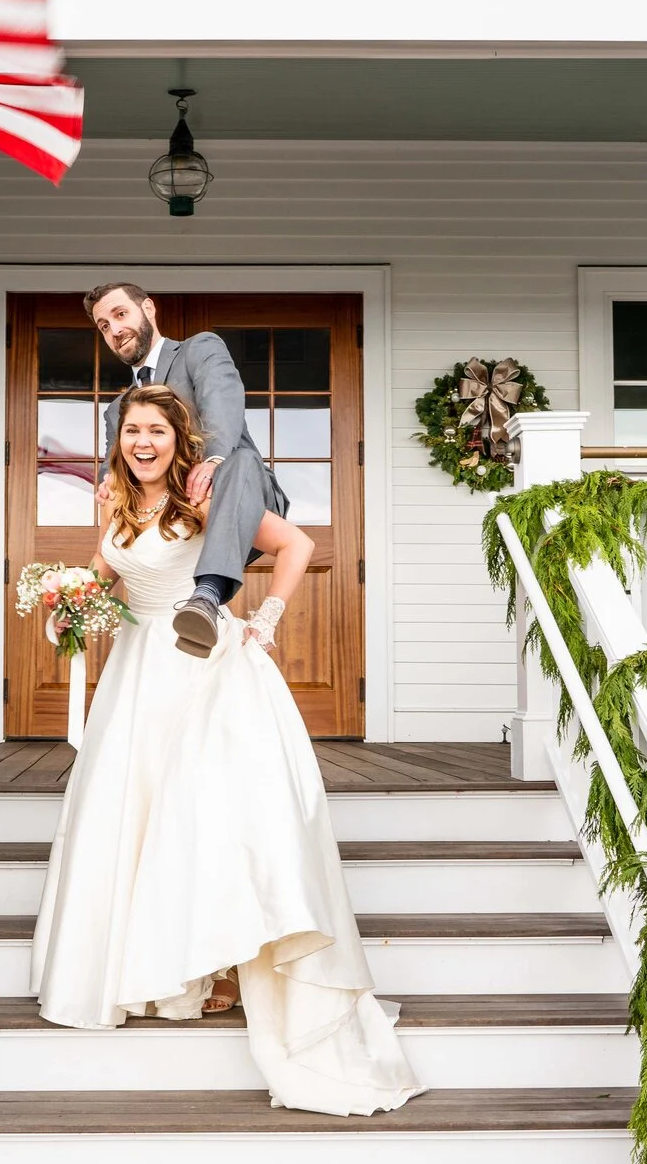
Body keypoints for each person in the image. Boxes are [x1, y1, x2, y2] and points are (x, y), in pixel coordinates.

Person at [29, 384, 422, 1116]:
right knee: (144, 819)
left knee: (211, 819)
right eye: (131, 431)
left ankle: (232, 970)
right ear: (119, 441)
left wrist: (266, 618)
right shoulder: (116, 505)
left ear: (179, 440)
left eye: (156, 431)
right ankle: (170, 969)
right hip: (136, 679)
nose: (143, 442)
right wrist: (67, 602)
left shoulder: (207, 495)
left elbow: (297, 545)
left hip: (206, 669)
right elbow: (106, 578)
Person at [85, 281, 285, 657]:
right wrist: (105, 483)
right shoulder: (116, 409)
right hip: (173, 514)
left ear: (148, 309)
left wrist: (211, 461)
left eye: (120, 314)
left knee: (239, 459)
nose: (114, 329)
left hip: (232, 490)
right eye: (103, 326)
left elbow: (223, 408)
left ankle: (208, 594)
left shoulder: (199, 349)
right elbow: (115, 463)